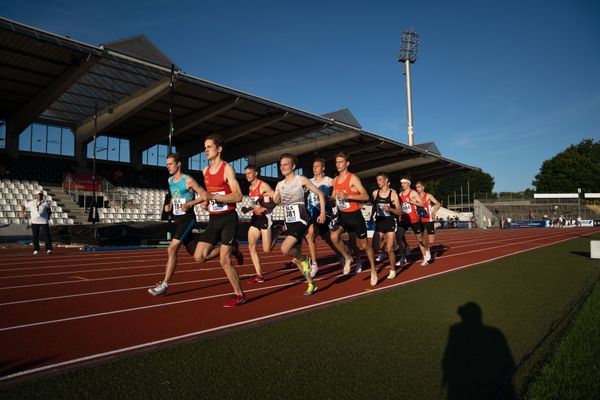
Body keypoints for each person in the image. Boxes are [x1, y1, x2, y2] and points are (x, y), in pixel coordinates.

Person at [193, 134, 246, 307]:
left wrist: (214, 196)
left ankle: (239, 295)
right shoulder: (205, 171)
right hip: (213, 219)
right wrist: (207, 202)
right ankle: (233, 248)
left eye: (209, 147)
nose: (205, 150)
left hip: (228, 219)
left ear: (219, 149)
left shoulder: (227, 169)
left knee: (224, 260)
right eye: (205, 147)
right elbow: (210, 195)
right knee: (199, 257)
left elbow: (238, 196)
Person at [148, 153, 208, 296]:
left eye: (170, 164)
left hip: (188, 218)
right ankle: (229, 249)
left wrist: (190, 204)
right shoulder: (170, 181)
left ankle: (164, 284)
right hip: (177, 219)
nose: (167, 166)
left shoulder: (188, 180)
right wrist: (169, 205)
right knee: (198, 256)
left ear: (178, 164)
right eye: (167, 164)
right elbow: (174, 196)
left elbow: (204, 194)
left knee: (171, 249)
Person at [272, 153, 326, 296]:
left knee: (285, 249)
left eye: (285, 164)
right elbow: (275, 202)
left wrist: (322, 213)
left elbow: (320, 194)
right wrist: (273, 199)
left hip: (301, 220)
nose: (282, 167)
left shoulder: (301, 179)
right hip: (289, 222)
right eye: (281, 164)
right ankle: (311, 283)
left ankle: (306, 259)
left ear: (293, 166)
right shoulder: (279, 184)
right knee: (295, 260)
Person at [329, 152, 378, 286]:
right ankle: (348, 258)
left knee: (364, 246)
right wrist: (325, 197)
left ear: (347, 163)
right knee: (334, 237)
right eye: (336, 162)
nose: (338, 164)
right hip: (342, 216)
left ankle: (373, 270)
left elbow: (366, 196)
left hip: (355, 216)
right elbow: (333, 197)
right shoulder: (336, 180)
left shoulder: (353, 178)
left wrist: (348, 196)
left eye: (340, 162)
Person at [304, 158, 349, 278]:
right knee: (328, 239)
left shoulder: (329, 181)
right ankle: (341, 254)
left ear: (323, 168)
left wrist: (330, 199)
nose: (315, 168)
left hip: (325, 214)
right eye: (313, 166)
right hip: (312, 214)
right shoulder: (308, 181)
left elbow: (335, 197)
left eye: (317, 166)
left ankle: (314, 264)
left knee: (310, 234)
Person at [241, 165, 275, 283]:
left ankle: (277, 231)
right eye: (246, 173)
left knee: (267, 250)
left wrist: (264, 209)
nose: (247, 175)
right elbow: (256, 203)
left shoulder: (264, 186)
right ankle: (259, 274)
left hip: (265, 218)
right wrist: (248, 208)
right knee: (251, 245)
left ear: (256, 173)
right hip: (255, 218)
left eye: (249, 173)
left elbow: (276, 199)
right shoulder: (250, 187)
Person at [389, 178, 430, 266]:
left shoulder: (413, 193)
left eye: (404, 183)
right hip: (404, 219)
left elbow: (422, 204)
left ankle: (426, 252)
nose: (402, 184)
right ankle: (403, 257)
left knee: (420, 239)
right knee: (398, 237)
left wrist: (411, 202)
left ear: (409, 184)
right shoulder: (400, 194)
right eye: (402, 183)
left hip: (414, 219)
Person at [371, 172, 401, 279]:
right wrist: (372, 216)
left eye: (380, 180)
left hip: (390, 223)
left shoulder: (393, 194)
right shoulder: (375, 193)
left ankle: (392, 270)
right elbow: (374, 206)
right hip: (379, 223)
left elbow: (399, 211)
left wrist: (390, 209)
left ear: (386, 180)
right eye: (377, 180)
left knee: (389, 249)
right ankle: (384, 242)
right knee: (375, 247)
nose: (378, 182)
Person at [415, 180, 442, 257]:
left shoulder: (428, 196)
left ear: (423, 187)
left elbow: (438, 204)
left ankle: (434, 225)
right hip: (419, 220)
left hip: (428, 219)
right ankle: (425, 257)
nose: (417, 188)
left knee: (431, 241)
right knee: (420, 240)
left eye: (419, 187)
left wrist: (434, 211)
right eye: (416, 187)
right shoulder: (415, 196)